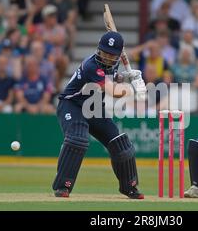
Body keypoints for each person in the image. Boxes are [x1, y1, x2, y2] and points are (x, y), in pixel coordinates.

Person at [52, 31, 147, 199]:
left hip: (94, 107)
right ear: (98, 49)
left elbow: (111, 79)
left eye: (111, 55)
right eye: (104, 52)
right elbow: (112, 90)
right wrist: (132, 89)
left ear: (118, 56)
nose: (106, 57)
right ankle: (62, 187)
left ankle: (129, 187)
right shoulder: (91, 66)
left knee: (121, 145)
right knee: (78, 139)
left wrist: (125, 76)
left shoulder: (112, 64)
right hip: (72, 105)